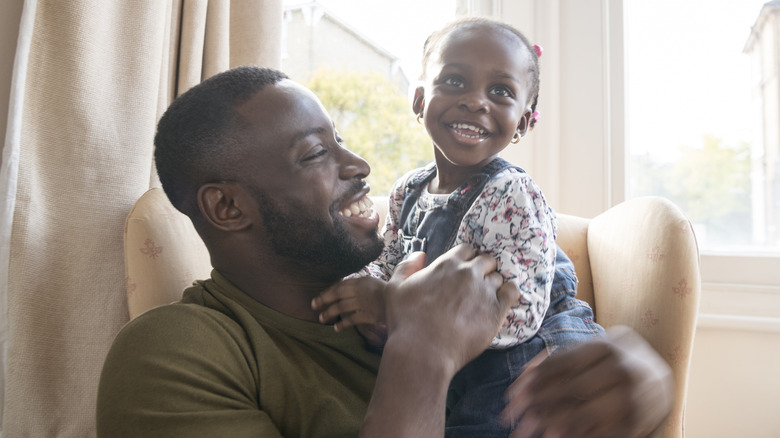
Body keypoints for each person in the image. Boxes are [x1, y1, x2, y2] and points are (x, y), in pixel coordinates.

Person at [96, 65, 673, 437]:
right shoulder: (175, 354)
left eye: (341, 142)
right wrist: (423, 353)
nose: (360, 167)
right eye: (315, 154)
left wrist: (641, 392)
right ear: (227, 208)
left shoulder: (420, 276)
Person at [312, 17, 603, 436]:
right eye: (453, 80)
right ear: (418, 101)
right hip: (454, 366)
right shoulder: (408, 190)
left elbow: (521, 312)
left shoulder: (514, 194)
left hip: (525, 362)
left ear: (523, 122)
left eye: (501, 91)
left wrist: (395, 307)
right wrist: (359, 286)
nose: (475, 101)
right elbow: (390, 257)